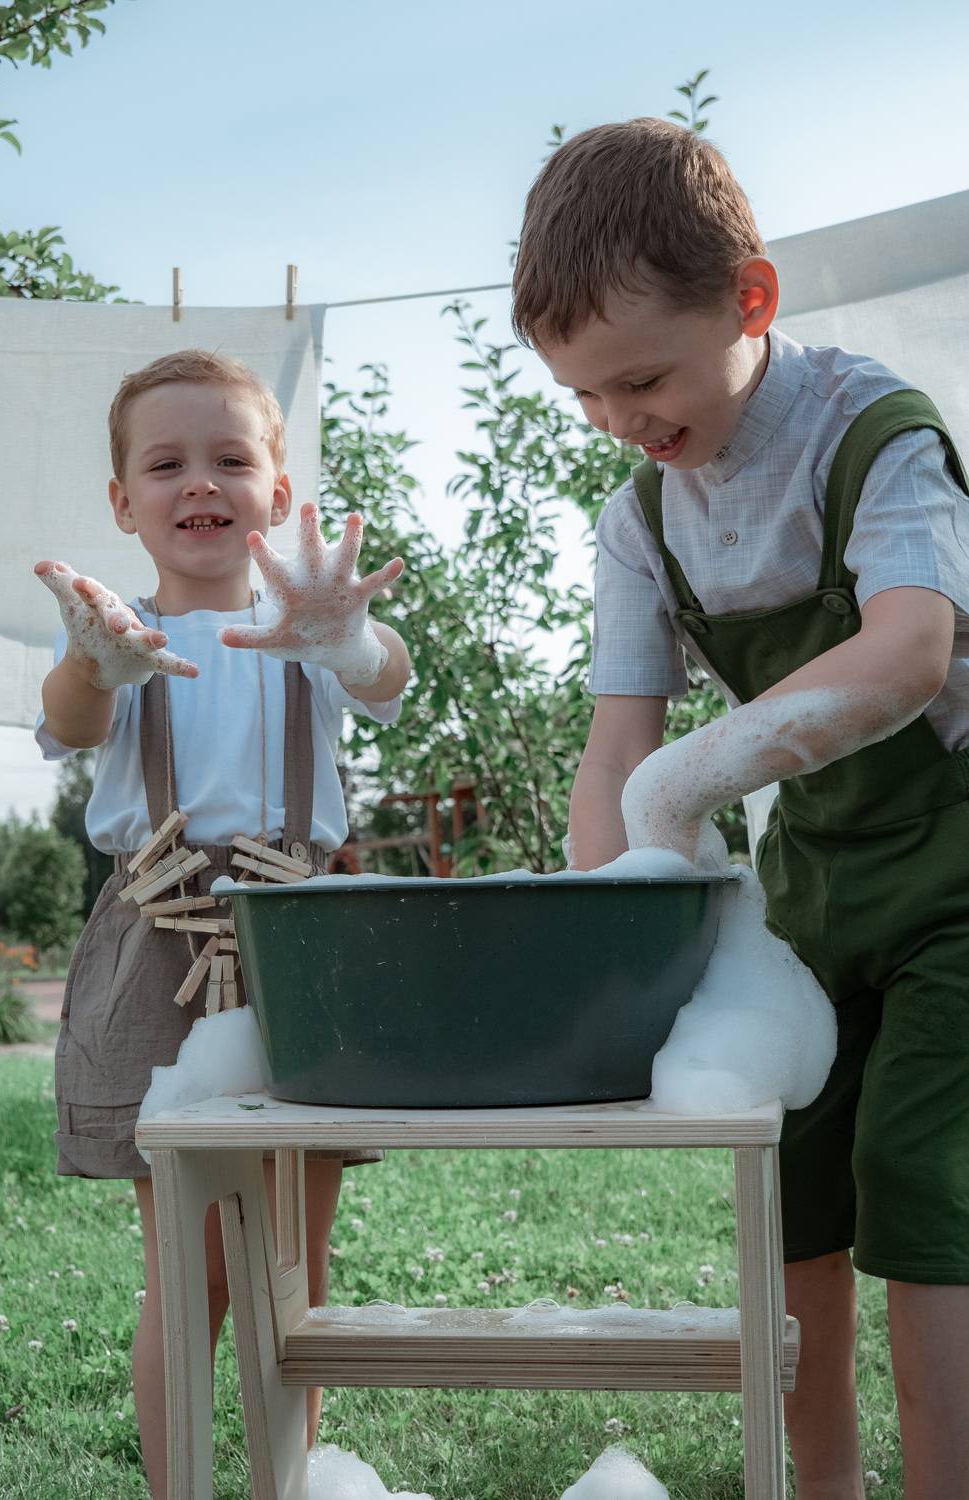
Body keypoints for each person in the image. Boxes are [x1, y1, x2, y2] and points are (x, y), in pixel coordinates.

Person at [512, 117, 969, 1499]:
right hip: (813, 888)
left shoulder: (873, 434)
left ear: (750, 300)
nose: (620, 420)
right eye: (584, 396)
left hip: (957, 883)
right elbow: (616, 756)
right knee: (790, 1198)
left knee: (928, 1192)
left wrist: (689, 779)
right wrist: (607, 941)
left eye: (642, 379)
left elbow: (909, 653)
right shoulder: (640, 523)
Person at [33, 348, 410, 1500]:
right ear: (124, 504)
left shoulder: (308, 625)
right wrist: (95, 660)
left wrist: (348, 636)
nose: (199, 481)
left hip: (301, 942)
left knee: (296, 1266)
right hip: (162, 935)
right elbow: (69, 718)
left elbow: (386, 677)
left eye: (231, 459)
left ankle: (285, 1484)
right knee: (187, 1270)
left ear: (278, 495)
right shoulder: (113, 636)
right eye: (166, 465)